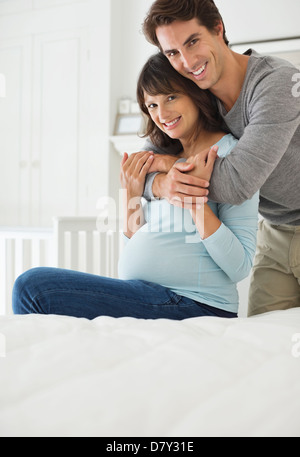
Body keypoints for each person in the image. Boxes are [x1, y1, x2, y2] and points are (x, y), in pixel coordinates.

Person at [12, 52, 258, 320]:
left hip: (197, 304)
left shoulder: (231, 156)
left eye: (171, 97)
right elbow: (133, 244)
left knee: (32, 288)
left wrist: (193, 200)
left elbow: (240, 267)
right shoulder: (157, 157)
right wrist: (132, 194)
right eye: (151, 105)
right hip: (149, 294)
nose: (162, 114)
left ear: (195, 93)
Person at [141, 0, 300, 315]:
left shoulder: (278, 82)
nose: (187, 61)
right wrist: (161, 184)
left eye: (193, 42)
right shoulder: (197, 93)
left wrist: (170, 168)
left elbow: (238, 184)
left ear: (218, 29)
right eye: (173, 53)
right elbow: (143, 166)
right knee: (262, 347)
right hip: (275, 232)